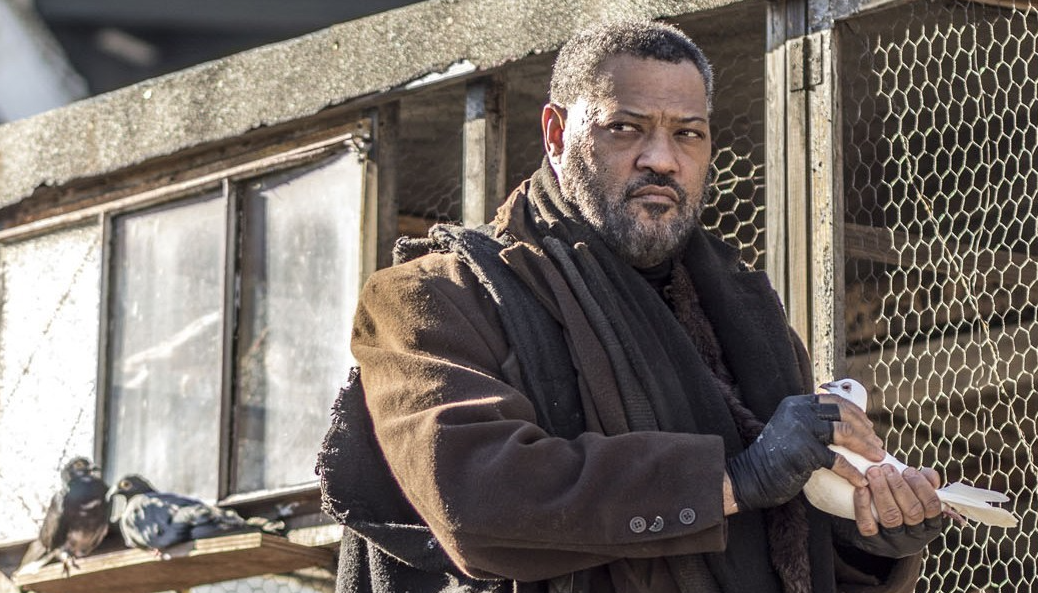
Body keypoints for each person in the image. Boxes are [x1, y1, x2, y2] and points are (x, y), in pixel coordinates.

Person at [341, 20, 944, 593]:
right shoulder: (437, 296)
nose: (662, 158)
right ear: (556, 135)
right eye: (625, 128)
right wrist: (736, 478)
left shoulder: (749, 318)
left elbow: (780, 550)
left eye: (688, 133)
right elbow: (477, 498)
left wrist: (869, 535)